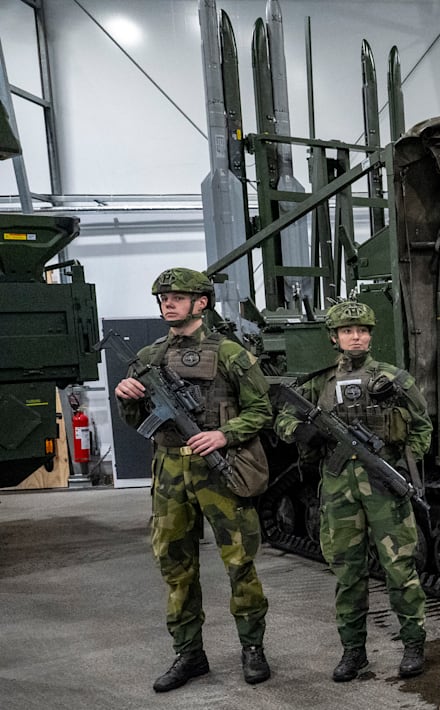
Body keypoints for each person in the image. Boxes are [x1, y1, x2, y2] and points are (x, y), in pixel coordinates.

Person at [113, 267, 272, 692]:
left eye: (178, 296)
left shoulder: (232, 353)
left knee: (240, 562)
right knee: (175, 566)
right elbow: (138, 421)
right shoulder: (147, 358)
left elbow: (262, 411)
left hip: (221, 467)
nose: (168, 302)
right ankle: (189, 654)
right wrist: (126, 398)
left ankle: (253, 649)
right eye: (163, 297)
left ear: (201, 302)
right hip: (169, 470)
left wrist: (225, 433)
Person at [274, 300, 432, 681]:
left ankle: (413, 645)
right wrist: (299, 431)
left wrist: (402, 459)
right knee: (348, 574)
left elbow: (422, 426)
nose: (355, 336)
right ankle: (353, 652)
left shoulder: (394, 379)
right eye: (347, 331)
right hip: (339, 489)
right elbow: (282, 417)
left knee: (400, 571)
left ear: (371, 335)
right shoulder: (318, 383)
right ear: (335, 337)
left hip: (384, 487)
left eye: (362, 330)